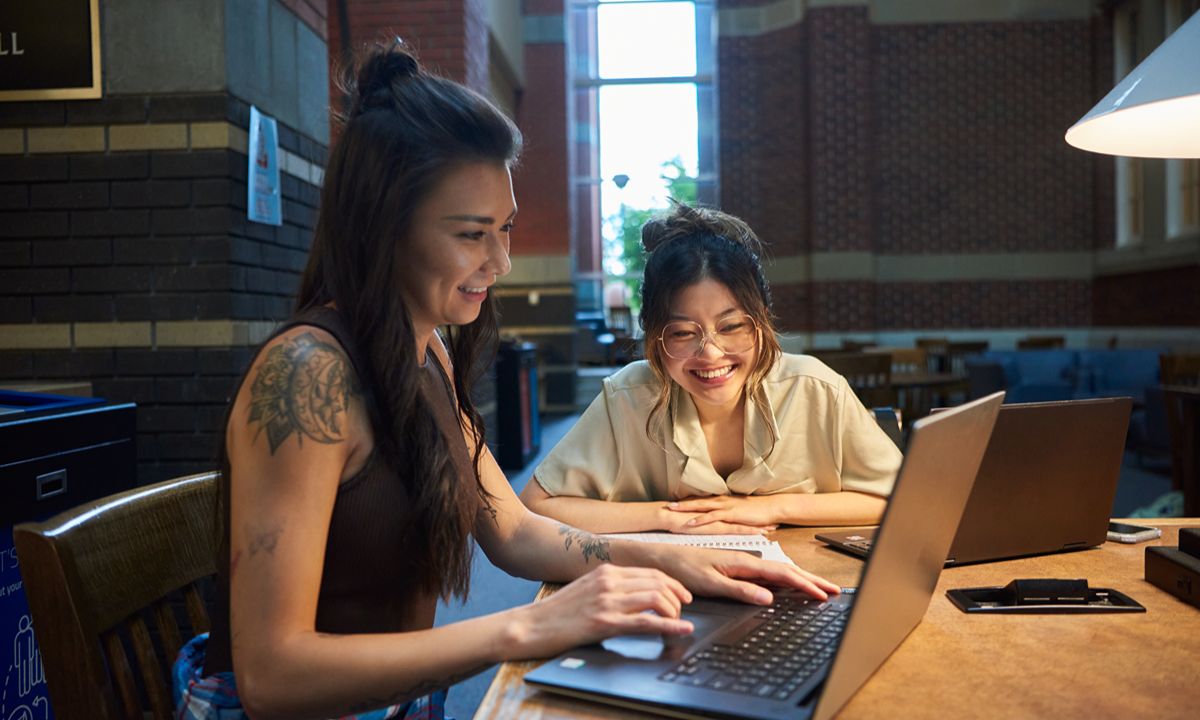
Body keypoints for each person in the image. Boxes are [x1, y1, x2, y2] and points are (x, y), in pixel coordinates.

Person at [171, 42, 839, 720]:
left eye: (507, 230)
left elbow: (515, 531)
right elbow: (271, 675)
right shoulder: (305, 375)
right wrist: (526, 627)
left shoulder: (422, 349)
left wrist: (680, 559)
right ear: (382, 227)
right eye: (473, 234)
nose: (502, 262)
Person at [520, 203, 903, 535]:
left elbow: (902, 499)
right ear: (653, 336)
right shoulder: (629, 396)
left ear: (763, 321)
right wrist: (670, 516)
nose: (711, 353)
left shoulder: (814, 388)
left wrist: (772, 507)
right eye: (684, 332)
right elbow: (537, 504)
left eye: (732, 326)